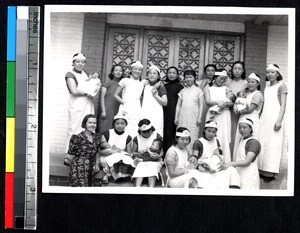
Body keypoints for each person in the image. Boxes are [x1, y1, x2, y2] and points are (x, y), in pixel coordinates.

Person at [64, 53, 95, 166]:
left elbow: (89, 86)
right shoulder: (70, 74)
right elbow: (74, 91)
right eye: (78, 61)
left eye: (82, 62)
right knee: (74, 128)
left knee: (87, 128)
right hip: (77, 105)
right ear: (73, 62)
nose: (80, 64)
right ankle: (69, 156)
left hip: (87, 104)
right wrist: (88, 92)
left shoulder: (84, 74)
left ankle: (82, 153)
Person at [258, 64, 287, 181]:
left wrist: (279, 120)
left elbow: (283, 105)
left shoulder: (282, 86)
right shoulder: (267, 88)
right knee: (264, 143)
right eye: (268, 72)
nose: (270, 74)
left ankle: (271, 172)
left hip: (275, 118)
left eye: (272, 72)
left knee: (273, 145)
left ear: (278, 74)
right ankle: (262, 169)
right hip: (265, 119)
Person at [191, 121, 240, 188]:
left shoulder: (216, 141)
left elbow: (219, 156)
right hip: (204, 170)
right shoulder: (198, 142)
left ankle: (234, 192)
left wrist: (222, 161)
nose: (211, 134)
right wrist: (202, 165)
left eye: (213, 132)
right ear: (204, 130)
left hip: (216, 169)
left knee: (231, 169)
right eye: (209, 131)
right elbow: (194, 161)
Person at [222, 118, 261, 189]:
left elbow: (247, 161)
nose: (242, 130)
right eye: (240, 127)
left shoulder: (253, 142)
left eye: (245, 127)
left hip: (249, 176)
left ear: (250, 128)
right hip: (240, 174)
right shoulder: (242, 139)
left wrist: (230, 164)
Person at [232, 73, 263, 161]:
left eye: (253, 82)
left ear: (257, 83)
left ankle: (248, 162)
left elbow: (250, 109)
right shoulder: (245, 94)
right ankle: (237, 162)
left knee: (250, 141)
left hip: (252, 119)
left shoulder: (258, 95)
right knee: (239, 140)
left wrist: (240, 110)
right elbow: (239, 104)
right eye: (249, 82)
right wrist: (236, 109)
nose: (250, 84)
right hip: (242, 118)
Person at [204, 69, 233, 163]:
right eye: (221, 78)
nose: (223, 81)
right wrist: (217, 102)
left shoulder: (226, 89)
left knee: (223, 136)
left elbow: (231, 102)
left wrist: (224, 104)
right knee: (211, 135)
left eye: (225, 79)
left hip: (224, 114)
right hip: (213, 114)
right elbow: (208, 101)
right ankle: (211, 161)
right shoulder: (208, 88)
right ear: (215, 78)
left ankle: (224, 161)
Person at [96, 113, 133, 184]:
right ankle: (114, 176)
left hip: (120, 156)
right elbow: (100, 151)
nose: (120, 126)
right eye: (117, 123)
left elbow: (128, 153)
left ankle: (120, 175)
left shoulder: (128, 137)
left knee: (126, 159)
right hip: (107, 156)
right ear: (114, 124)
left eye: (122, 123)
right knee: (116, 158)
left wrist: (121, 152)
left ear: (126, 124)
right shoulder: (107, 133)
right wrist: (113, 151)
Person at [68, 114, 101, 187]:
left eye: (94, 123)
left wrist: (97, 164)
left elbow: (97, 152)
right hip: (78, 169)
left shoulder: (97, 137)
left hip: (91, 168)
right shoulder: (77, 137)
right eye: (90, 122)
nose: (92, 125)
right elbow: (70, 156)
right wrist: (75, 169)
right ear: (85, 123)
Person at [174, 69, 204, 151]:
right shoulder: (182, 91)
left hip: (194, 117)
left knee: (192, 135)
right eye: (186, 77)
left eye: (190, 77)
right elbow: (178, 105)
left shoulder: (199, 91)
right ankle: (181, 155)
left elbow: (201, 105)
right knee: (182, 135)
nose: (188, 79)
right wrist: (176, 117)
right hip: (182, 117)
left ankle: (191, 156)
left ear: (194, 78)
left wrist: (199, 117)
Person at [131, 119, 164, 187]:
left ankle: (151, 187)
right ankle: (137, 187)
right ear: (140, 131)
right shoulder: (136, 138)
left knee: (153, 166)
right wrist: (141, 153)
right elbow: (133, 152)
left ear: (152, 129)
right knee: (140, 165)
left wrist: (158, 156)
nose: (146, 133)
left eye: (148, 131)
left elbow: (161, 151)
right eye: (144, 132)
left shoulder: (156, 136)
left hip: (154, 159)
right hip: (142, 159)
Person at [226, 61, 248, 155]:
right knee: (228, 133)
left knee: (236, 133)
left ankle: (236, 156)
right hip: (228, 111)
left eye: (239, 69)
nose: (237, 71)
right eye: (235, 68)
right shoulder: (228, 82)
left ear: (243, 70)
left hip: (239, 112)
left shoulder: (246, 83)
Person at [141, 65, 167, 137]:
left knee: (156, 134)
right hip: (145, 113)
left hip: (156, 114)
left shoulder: (161, 87)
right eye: (150, 73)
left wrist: (155, 95)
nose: (152, 75)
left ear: (158, 76)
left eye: (154, 73)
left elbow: (165, 102)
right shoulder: (145, 86)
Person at [162, 66, 184, 154]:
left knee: (173, 134)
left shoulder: (180, 87)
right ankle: (163, 155)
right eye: (169, 73)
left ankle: (172, 155)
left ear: (177, 75)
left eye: (173, 73)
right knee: (165, 133)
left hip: (175, 113)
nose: (171, 75)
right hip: (164, 112)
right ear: (167, 74)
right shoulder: (164, 86)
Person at [98, 64, 124, 133]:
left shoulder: (123, 85)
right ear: (112, 72)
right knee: (105, 130)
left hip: (118, 111)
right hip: (108, 111)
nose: (118, 72)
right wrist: (103, 111)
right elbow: (102, 97)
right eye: (116, 70)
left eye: (120, 71)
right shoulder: (107, 83)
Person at [197, 64, 217, 135]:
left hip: (213, 106)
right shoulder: (199, 82)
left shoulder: (217, 83)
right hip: (203, 106)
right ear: (205, 72)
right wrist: (203, 84)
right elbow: (197, 94)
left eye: (212, 70)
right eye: (208, 70)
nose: (210, 72)